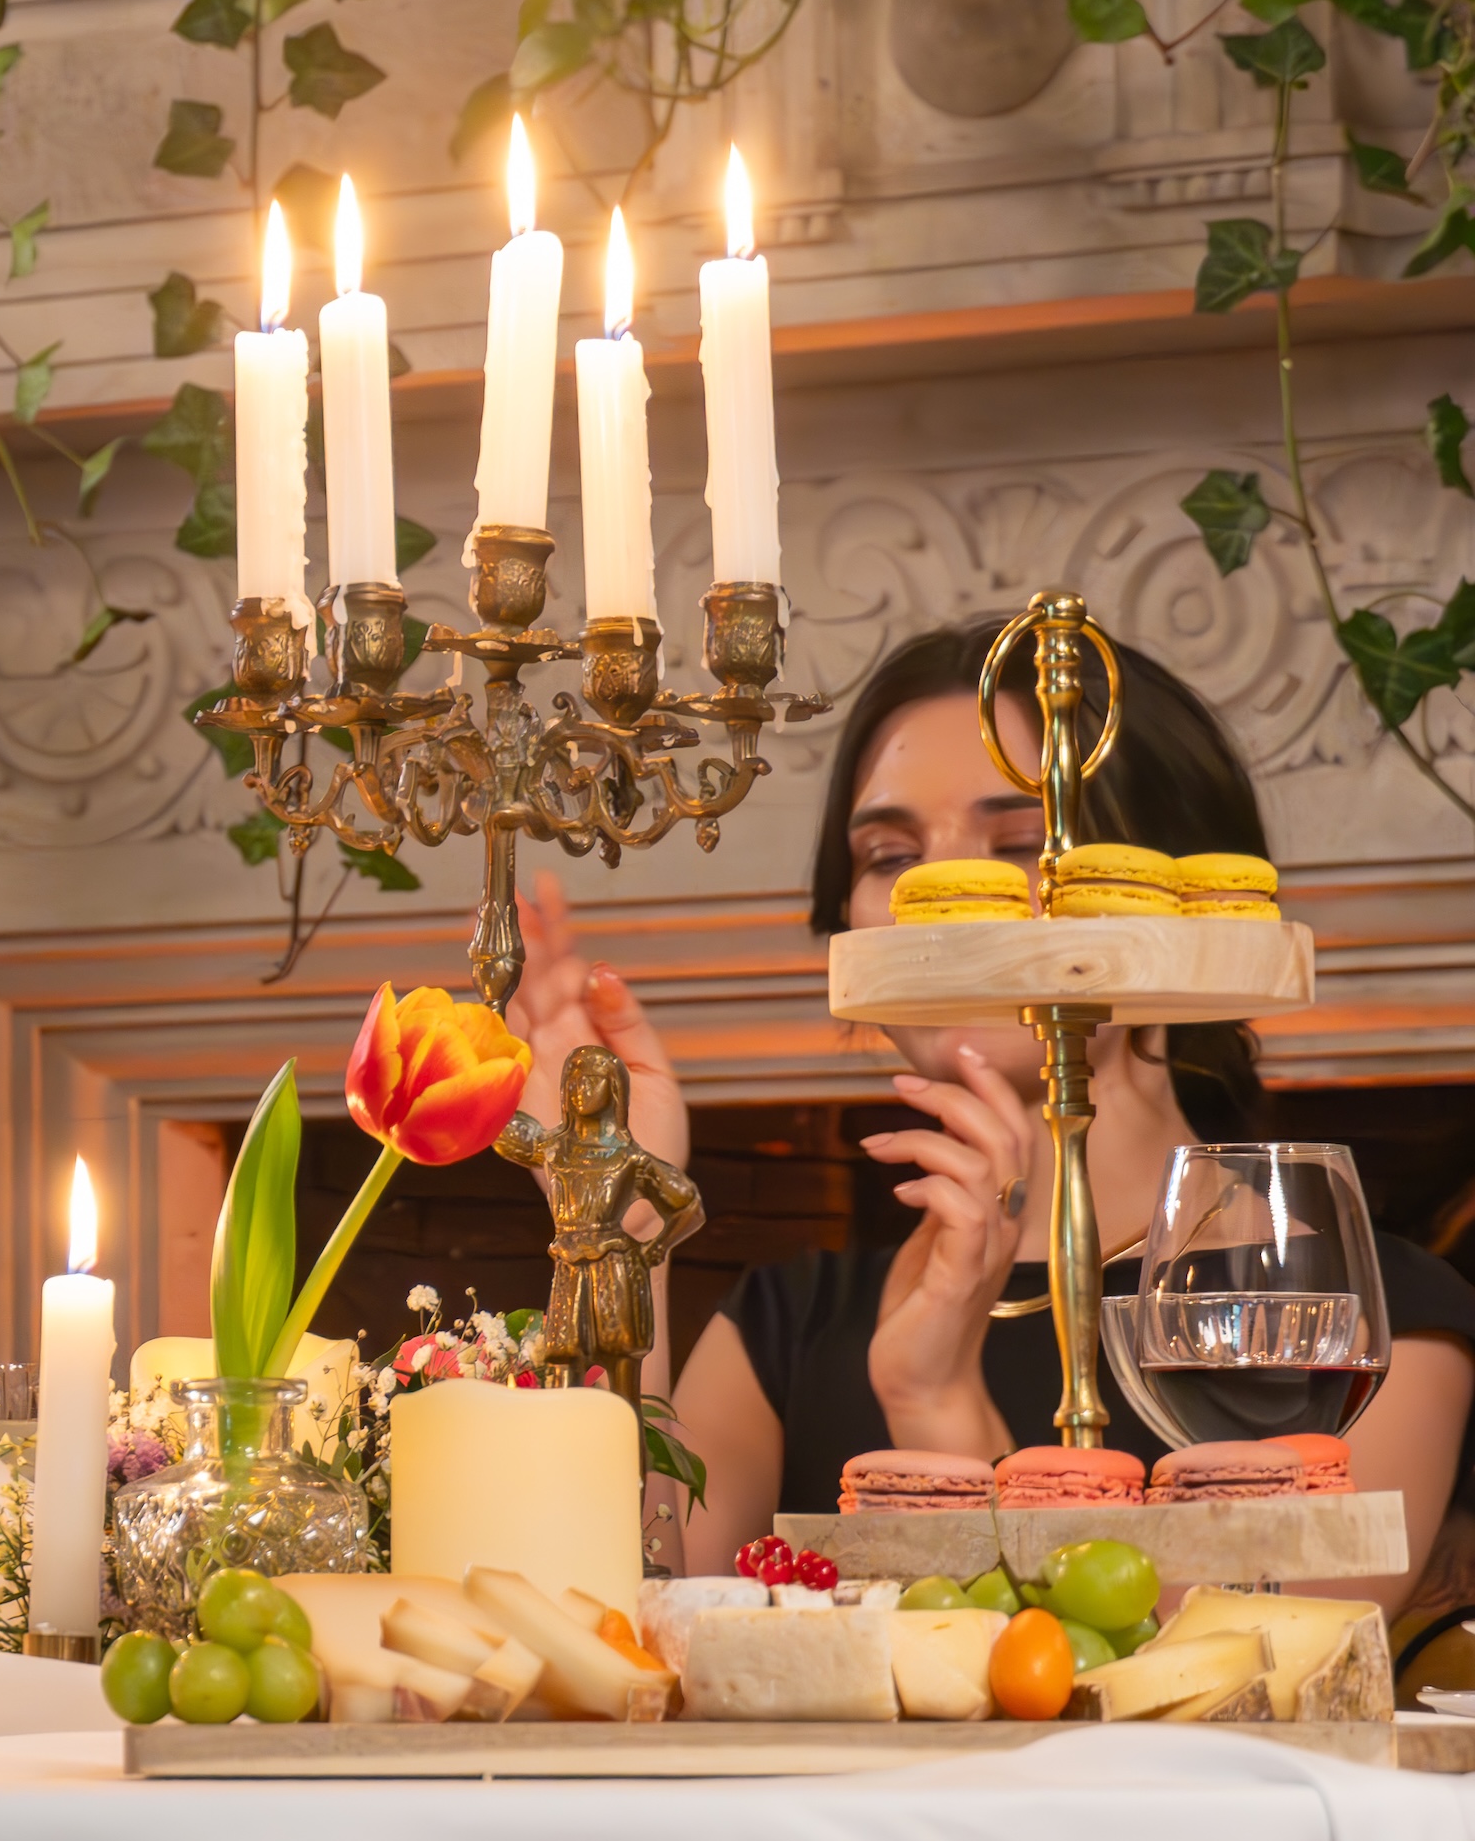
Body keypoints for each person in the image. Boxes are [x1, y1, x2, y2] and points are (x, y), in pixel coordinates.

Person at [517, 616, 1475, 1613]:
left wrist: (938, 1406)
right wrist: (615, 1231)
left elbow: (1234, 1688)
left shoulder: (1360, 1330)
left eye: (1016, 844)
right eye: (889, 857)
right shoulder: (784, 1329)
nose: (939, 897)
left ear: (1166, 893)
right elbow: (614, 1622)